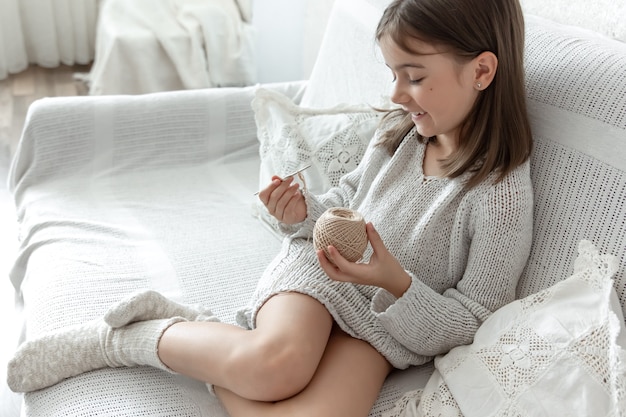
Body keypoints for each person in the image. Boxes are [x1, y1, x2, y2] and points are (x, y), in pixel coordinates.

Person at [7, 0, 534, 415]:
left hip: (386, 326)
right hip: (321, 275)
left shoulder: (501, 195)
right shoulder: (400, 139)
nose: (396, 93)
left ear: (482, 71)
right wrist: (300, 212)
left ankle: (197, 329)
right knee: (273, 369)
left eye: (414, 76)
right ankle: (123, 341)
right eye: (393, 73)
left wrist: (394, 281)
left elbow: (475, 320)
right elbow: (342, 206)